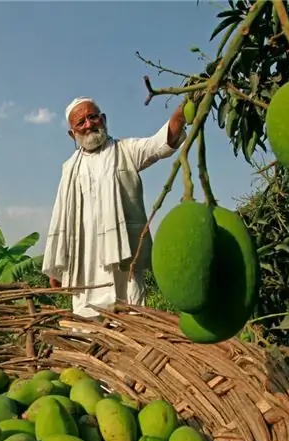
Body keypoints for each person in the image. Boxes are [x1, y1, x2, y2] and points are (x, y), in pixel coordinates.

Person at [42, 96, 187, 319]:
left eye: (92, 117)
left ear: (103, 119)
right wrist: (58, 266)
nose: (89, 124)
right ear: (72, 134)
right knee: (86, 327)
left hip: (123, 259)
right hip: (85, 264)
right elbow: (62, 218)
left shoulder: (126, 151)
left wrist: (182, 111)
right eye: (81, 122)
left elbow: (161, 143)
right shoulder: (69, 169)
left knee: (130, 319)